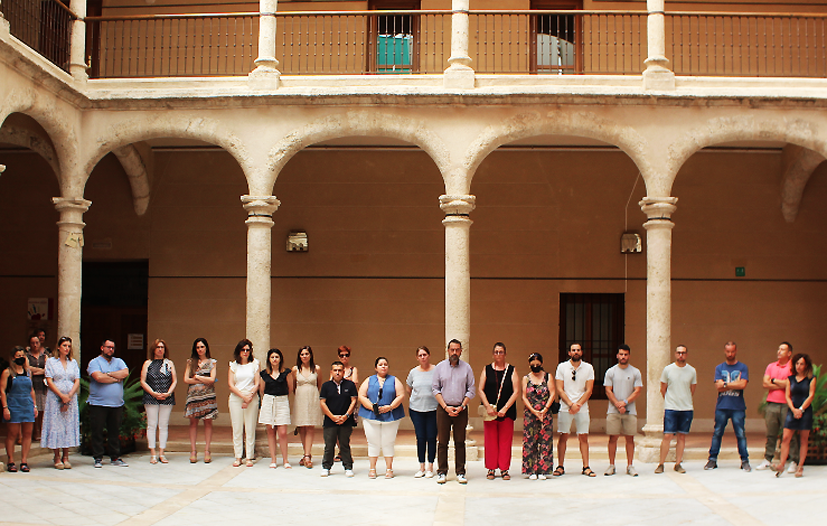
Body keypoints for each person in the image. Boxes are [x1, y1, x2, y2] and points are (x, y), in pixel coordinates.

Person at [432, 339, 475, 484]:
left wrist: (462, 406)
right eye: (452, 350)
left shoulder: (467, 368)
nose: (454, 353)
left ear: (461, 351)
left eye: (457, 350)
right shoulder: (439, 367)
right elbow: (435, 389)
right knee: (442, 442)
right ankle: (442, 472)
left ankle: (460, 472)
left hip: (461, 409)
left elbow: (471, 389)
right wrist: (445, 407)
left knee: (460, 442)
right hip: (444, 409)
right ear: (448, 350)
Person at [704, 341, 750, 471]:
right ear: (725, 351)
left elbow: (743, 385)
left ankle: (745, 460)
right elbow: (718, 387)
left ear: (736, 351)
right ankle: (712, 460)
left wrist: (725, 384)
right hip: (722, 406)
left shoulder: (743, 367)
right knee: (717, 433)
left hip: (738, 407)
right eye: (728, 351)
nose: (730, 354)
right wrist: (734, 383)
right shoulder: (719, 368)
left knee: (740, 434)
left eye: (732, 351)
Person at [358, 356, 406, 478]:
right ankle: (372, 468)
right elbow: (361, 395)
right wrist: (371, 407)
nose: (383, 366)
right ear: (376, 367)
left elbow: (400, 395)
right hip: (370, 416)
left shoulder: (394, 380)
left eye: (385, 364)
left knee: (388, 442)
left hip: (390, 416)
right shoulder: (369, 380)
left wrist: (390, 407)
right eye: (380, 364)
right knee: (373, 442)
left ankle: (389, 469)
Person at [479, 342, 520, 480]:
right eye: (496, 352)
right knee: (490, 440)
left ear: (505, 354)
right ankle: (491, 468)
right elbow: (480, 389)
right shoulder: (486, 369)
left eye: (501, 352)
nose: (498, 354)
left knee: (505, 441)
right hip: (490, 412)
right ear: (492, 354)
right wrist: (488, 407)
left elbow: (516, 391)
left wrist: (505, 408)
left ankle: (504, 469)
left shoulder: (512, 370)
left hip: (506, 411)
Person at [554, 342, 595, 477]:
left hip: (582, 408)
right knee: (563, 436)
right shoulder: (562, 367)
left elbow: (589, 390)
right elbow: (559, 389)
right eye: (573, 350)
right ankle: (560, 466)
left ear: (581, 352)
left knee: (583, 436)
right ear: (569, 353)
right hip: (565, 407)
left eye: (578, 350)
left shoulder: (588, 368)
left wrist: (578, 405)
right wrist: (571, 404)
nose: (575, 352)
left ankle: (586, 466)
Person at [773, 353, 816, 477]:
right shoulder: (790, 379)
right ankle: (781, 464)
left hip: (805, 410)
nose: (799, 366)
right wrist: (793, 409)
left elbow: (811, 395)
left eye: (801, 364)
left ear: (806, 365)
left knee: (803, 439)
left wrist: (801, 409)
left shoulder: (811, 378)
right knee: (786, 438)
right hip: (792, 410)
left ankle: (800, 466)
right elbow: (787, 396)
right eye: (797, 363)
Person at [87, 339, 129, 468]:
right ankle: (98, 457)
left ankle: (115, 457)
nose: (110, 349)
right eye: (108, 347)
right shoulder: (94, 362)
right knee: (98, 431)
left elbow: (125, 373)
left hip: (116, 404)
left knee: (114, 432)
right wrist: (116, 378)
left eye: (112, 348)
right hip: (98, 403)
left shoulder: (119, 361)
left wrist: (108, 374)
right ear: (102, 348)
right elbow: (98, 378)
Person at [656, 345, 697, 474]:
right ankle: (661, 463)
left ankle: (678, 463)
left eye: (683, 353)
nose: (681, 355)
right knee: (667, 435)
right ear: (675, 354)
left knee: (682, 436)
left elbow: (692, 389)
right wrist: (670, 400)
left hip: (686, 408)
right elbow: (663, 389)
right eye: (679, 353)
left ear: (687, 354)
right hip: (671, 408)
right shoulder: (668, 370)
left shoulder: (692, 371)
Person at [603, 344, 643, 477]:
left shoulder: (635, 372)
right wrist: (617, 404)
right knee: (613, 438)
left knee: (630, 438)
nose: (623, 356)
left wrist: (625, 402)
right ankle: (611, 465)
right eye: (621, 354)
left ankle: (630, 465)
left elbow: (637, 391)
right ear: (617, 355)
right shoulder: (611, 371)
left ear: (629, 356)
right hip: (613, 411)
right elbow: (608, 390)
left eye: (626, 354)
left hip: (630, 411)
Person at [758, 341, 798, 472]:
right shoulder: (771, 366)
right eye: (778, 349)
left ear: (789, 353)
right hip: (772, 404)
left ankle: (793, 461)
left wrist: (773, 381)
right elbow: (765, 383)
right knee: (771, 433)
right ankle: (768, 459)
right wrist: (782, 384)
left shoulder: (793, 366)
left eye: (782, 349)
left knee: (788, 434)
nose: (779, 351)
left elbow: (791, 383)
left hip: (787, 404)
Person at [41, 336, 80, 469]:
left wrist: (69, 395)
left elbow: (77, 380)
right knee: (56, 425)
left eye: (69, 346)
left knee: (67, 425)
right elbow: (49, 380)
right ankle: (57, 456)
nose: (67, 348)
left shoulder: (73, 362)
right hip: (55, 397)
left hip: (70, 398)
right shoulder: (51, 362)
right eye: (64, 346)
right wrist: (61, 395)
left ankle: (66, 456)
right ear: (58, 347)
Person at [140, 339, 177, 464]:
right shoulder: (148, 363)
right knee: (151, 424)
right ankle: (153, 453)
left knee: (163, 425)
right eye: (158, 347)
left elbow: (174, 380)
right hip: (151, 397)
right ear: (153, 349)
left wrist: (169, 393)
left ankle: (162, 452)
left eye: (162, 347)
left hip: (166, 397)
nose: (160, 349)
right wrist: (153, 393)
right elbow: (143, 381)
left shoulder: (169, 363)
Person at [1, 347, 37, 472]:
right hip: (14, 404)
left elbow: (31, 390)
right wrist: (5, 408)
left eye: (22, 355)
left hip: (27, 404)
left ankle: (24, 461)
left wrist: (35, 406)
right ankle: (11, 460)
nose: (20, 358)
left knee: (27, 434)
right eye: (18, 355)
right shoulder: (8, 373)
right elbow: (2, 391)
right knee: (13, 434)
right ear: (12, 358)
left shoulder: (28, 372)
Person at [320, 360, 358, 477]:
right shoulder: (326, 386)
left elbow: (354, 401)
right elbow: (322, 402)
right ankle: (326, 467)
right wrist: (332, 416)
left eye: (340, 370)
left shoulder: (350, 385)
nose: (337, 373)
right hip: (330, 421)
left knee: (344, 444)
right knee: (329, 444)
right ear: (331, 372)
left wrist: (346, 415)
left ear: (343, 371)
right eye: (335, 370)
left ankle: (348, 466)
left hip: (345, 420)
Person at [521, 352, 556, 480]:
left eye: (538, 362)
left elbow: (552, 393)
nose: (535, 365)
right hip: (530, 413)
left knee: (545, 441)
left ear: (541, 363)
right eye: (533, 363)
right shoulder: (526, 378)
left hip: (545, 413)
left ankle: (543, 470)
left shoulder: (548, 377)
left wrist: (544, 409)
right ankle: (531, 470)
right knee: (530, 441)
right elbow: (523, 396)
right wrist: (534, 411)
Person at [184, 337, 217, 463]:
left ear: (206, 348)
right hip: (193, 396)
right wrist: (204, 378)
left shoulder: (212, 362)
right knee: (193, 423)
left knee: (208, 422)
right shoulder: (190, 362)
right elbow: (186, 379)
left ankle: (207, 450)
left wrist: (197, 376)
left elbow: (212, 379)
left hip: (208, 396)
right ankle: (193, 450)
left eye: (202, 347)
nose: (200, 349)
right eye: (197, 347)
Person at [406, 345, 437, 478]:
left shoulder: (436, 370)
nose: (423, 357)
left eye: (425, 354)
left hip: (433, 409)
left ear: (429, 356)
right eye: (420, 355)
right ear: (417, 358)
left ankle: (430, 466)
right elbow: (409, 388)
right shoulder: (413, 372)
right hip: (417, 410)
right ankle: (421, 466)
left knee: (431, 437)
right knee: (420, 437)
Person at [259, 348, 292, 469]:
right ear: (269, 359)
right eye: (272, 357)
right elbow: (262, 390)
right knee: (270, 431)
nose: (274, 359)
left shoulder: (286, 373)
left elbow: (290, 388)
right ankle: (273, 459)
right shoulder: (264, 374)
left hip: (282, 401)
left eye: (276, 357)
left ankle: (285, 460)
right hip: (268, 401)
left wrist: (281, 399)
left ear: (280, 359)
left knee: (282, 432)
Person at [228, 339, 260, 467]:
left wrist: (250, 396)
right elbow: (231, 384)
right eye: (243, 350)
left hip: (251, 397)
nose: (245, 352)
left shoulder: (255, 364)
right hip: (236, 398)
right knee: (237, 428)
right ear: (239, 351)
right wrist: (242, 397)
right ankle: (238, 456)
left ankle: (249, 457)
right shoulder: (233, 366)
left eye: (248, 350)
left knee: (250, 427)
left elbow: (257, 382)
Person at [293, 346, 323, 468]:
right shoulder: (295, 369)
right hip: (300, 398)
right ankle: (305, 453)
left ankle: (307, 455)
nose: (304, 356)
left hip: (312, 398)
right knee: (302, 426)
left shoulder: (316, 369)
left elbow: (319, 384)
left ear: (310, 355)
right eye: (302, 354)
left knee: (310, 426)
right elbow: (293, 386)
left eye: (306, 354)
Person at [25, 334, 47, 441]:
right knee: (34, 408)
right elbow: (27, 368)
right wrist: (41, 371)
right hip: (32, 385)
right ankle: (35, 432)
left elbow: (47, 370)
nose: (35, 345)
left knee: (43, 409)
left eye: (37, 343)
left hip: (43, 386)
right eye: (33, 343)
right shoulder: (27, 356)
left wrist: (38, 371)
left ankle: (42, 431)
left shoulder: (44, 356)